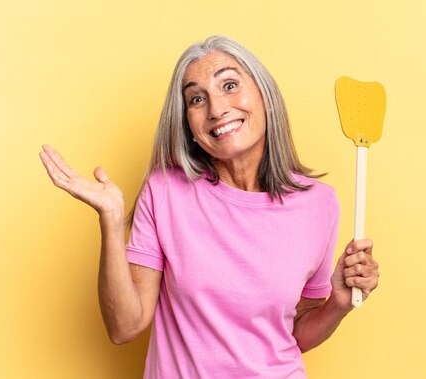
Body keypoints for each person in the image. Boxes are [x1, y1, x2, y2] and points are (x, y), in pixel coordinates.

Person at [39, 35, 379, 378]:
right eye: (197, 99)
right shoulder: (166, 190)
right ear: (188, 125)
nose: (216, 109)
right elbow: (124, 328)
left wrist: (338, 303)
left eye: (230, 85)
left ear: (267, 98)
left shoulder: (318, 203)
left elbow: (297, 335)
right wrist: (111, 219)